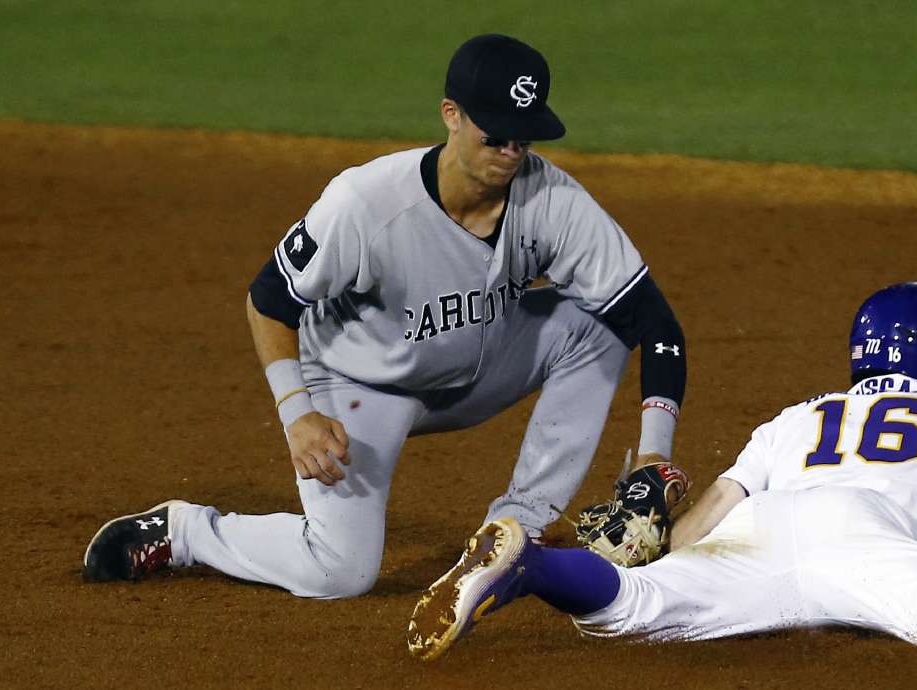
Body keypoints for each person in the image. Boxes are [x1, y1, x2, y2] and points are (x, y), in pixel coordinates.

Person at [82, 34, 687, 600]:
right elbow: (268, 299)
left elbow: (655, 322)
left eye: (523, 138)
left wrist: (653, 460)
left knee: (601, 323)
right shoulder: (366, 204)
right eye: (496, 135)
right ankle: (186, 532)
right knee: (340, 570)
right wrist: (297, 412)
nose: (511, 151)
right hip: (362, 385)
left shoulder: (552, 199)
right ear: (451, 115)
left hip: (478, 368)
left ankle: (514, 532)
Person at [406, 282, 917, 680]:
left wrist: (660, 554)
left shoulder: (797, 417)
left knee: (629, 606)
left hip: (763, 526)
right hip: (865, 536)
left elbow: (697, 527)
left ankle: (528, 564)